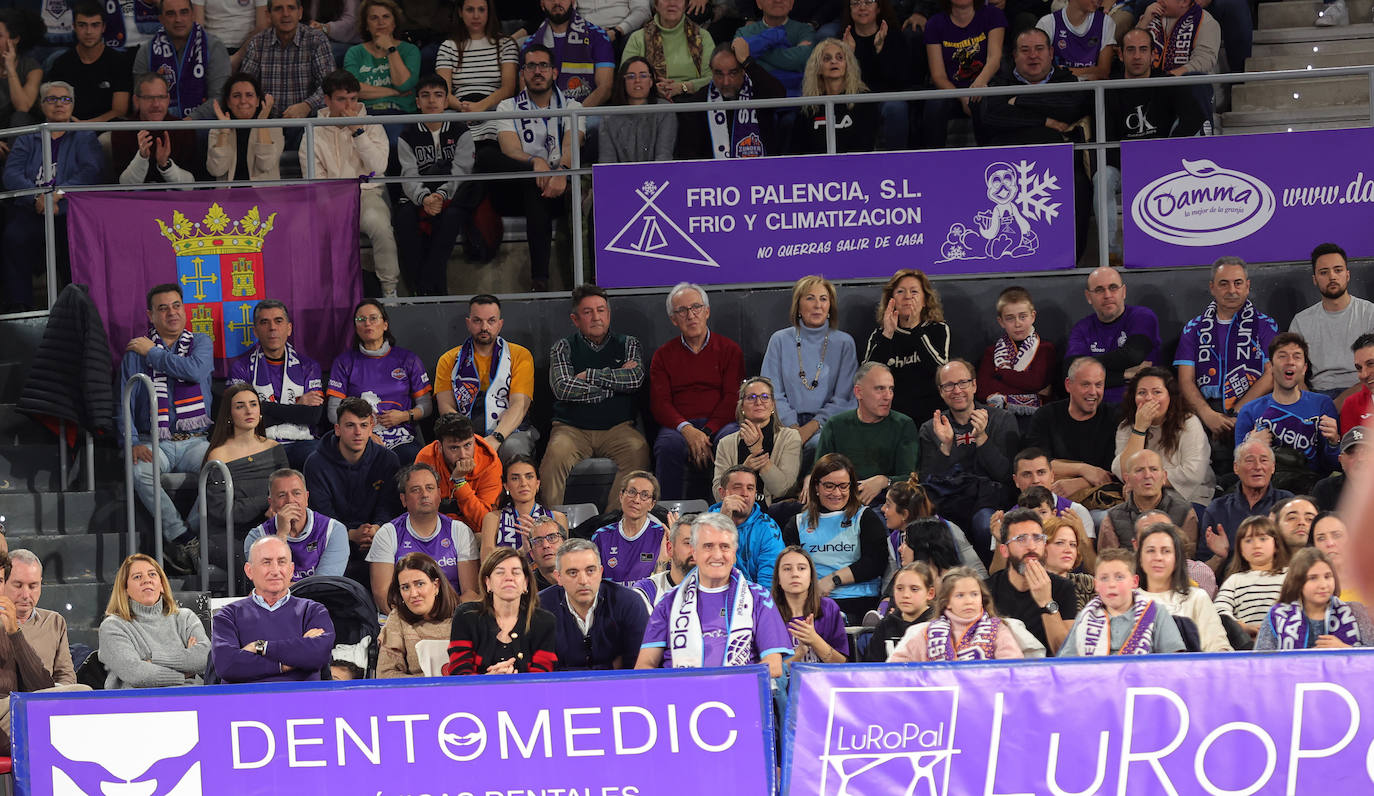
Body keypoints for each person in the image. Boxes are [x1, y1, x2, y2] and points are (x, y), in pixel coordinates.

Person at [116, 284, 213, 574]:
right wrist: (132, 441)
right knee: (137, 470)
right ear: (151, 315)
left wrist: (154, 354)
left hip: (196, 441)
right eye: (163, 308)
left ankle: (188, 536)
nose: (171, 312)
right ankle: (183, 538)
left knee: (225, 468)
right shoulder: (135, 353)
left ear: (185, 309)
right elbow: (125, 403)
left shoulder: (201, 342)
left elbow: (194, 370)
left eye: (176, 306)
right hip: (153, 440)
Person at [635, 513, 792, 675]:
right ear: (695, 553)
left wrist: (720, 687)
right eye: (708, 546)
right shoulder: (668, 601)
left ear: (734, 553)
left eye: (725, 546)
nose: (717, 555)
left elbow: (773, 666)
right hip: (682, 695)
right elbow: (644, 666)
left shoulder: (759, 597)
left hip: (738, 696)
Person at [1096, 27, 1204, 256]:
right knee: (1102, 177)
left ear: (1153, 54)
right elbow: (1104, 140)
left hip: (1162, 164)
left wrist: (1166, 151)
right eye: (1131, 50)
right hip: (1125, 164)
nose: (1137, 56)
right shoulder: (1107, 89)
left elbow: (1195, 116)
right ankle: (1112, 254)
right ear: (1121, 54)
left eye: (1143, 50)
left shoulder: (1166, 82)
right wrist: (1135, 164)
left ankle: (1178, 246)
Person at [486, 45, 586, 291]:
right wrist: (535, 162)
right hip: (519, 187)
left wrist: (560, 172)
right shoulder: (507, 107)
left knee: (538, 192)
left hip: (559, 186)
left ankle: (540, 280)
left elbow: (572, 146)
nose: (537, 72)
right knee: (489, 158)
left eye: (543, 66)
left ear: (554, 72)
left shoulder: (573, 108)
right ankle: (540, 279)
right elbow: (509, 149)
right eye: (531, 66)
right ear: (523, 73)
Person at [541, 285, 651, 504]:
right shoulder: (563, 347)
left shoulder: (628, 344)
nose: (596, 317)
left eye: (601, 310)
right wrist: (611, 387)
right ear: (575, 319)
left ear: (608, 314)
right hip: (571, 429)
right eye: (588, 312)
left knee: (638, 450)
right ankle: (553, 526)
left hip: (618, 428)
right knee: (554, 457)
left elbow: (634, 379)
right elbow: (563, 387)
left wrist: (589, 375)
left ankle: (611, 524)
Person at [2, 81, 104, 312]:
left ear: (73, 105)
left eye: (65, 99)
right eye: (52, 99)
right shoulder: (28, 137)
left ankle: (78, 307)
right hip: (32, 208)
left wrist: (56, 195)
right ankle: (19, 308)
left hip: (69, 211)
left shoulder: (84, 136)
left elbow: (91, 171)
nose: (59, 103)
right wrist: (38, 197)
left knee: (74, 244)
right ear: (41, 104)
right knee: (14, 238)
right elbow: (12, 173)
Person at [304, 69, 400, 298]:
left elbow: (378, 167)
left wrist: (358, 132)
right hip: (330, 198)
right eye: (341, 99)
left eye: (353, 99)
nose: (349, 106)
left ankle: (390, 292)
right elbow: (314, 179)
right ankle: (330, 296)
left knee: (380, 226)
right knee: (317, 233)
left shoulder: (370, 124)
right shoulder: (313, 131)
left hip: (366, 193)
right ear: (327, 100)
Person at [650, 282, 744, 499]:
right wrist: (688, 431)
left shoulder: (730, 350)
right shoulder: (663, 355)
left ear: (707, 311)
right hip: (680, 427)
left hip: (721, 424)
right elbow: (660, 403)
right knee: (666, 446)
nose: (690, 315)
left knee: (730, 440)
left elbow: (733, 398)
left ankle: (726, 512)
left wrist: (707, 433)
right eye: (682, 311)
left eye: (696, 307)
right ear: (674, 320)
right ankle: (668, 516)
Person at [918, 359, 1022, 545]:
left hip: (991, 502)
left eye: (963, 383)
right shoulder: (931, 428)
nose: (957, 390)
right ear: (941, 392)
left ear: (974, 385)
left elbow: (1006, 476)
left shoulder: (1003, 420)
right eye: (949, 385)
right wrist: (946, 446)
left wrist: (982, 437)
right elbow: (928, 483)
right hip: (949, 503)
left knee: (984, 525)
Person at [1175, 257, 1280, 438]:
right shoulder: (1194, 328)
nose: (1232, 290)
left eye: (1237, 283)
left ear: (1247, 286)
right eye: (1224, 284)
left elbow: (1271, 374)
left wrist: (1237, 413)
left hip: (1252, 409)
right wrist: (1208, 415)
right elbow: (1185, 380)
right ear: (1212, 287)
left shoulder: (1265, 325)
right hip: (1203, 412)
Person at [210, 535, 336, 682]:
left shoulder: (313, 611)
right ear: (249, 571)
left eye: (282, 562)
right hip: (246, 701)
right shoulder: (227, 615)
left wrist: (261, 647)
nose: (275, 570)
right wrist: (288, 662)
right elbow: (228, 665)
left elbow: (318, 655)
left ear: (291, 570)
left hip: (301, 700)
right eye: (266, 562)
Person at [394, 74, 476, 297]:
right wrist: (424, 198)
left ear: (446, 100)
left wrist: (440, 195)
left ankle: (426, 291)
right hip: (416, 196)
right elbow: (408, 174)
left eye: (438, 95)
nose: (432, 101)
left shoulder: (460, 130)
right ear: (417, 102)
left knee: (450, 220)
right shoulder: (407, 133)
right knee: (404, 222)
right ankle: (428, 293)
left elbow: (462, 170)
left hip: (451, 196)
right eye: (426, 96)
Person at [303, 396, 403, 579]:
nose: (358, 432)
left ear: (371, 427)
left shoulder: (388, 460)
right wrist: (349, 534)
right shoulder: (315, 463)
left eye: (363, 425)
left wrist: (377, 528)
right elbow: (321, 513)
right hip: (331, 539)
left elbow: (389, 505)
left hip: (377, 538)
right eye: (350, 425)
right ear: (338, 429)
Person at [326, 298, 433, 464]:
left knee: (413, 460)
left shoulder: (408, 359)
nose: (367, 323)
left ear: (385, 324)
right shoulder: (344, 362)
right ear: (356, 327)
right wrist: (363, 431)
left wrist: (405, 416)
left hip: (401, 435)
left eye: (373, 318)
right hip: (359, 437)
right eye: (361, 320)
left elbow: (426, 407)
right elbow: (333, 411)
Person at [761, 275, 859, 454]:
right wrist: (793, 428)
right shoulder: (779, 340)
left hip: (828, 425)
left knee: (818, 446)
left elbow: (845, 399)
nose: (817, 305)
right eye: (810, 298)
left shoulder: (844, 343)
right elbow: (770, 391)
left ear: (830, 306)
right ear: (798, 305)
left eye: (823, 299)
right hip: (783, 424)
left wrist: (811, 428)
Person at [782, 455, 888, 618]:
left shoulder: (864, 517)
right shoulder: (797, 523)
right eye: (829, 486)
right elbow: (789, 564)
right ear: (816, 486)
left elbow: (876, 562)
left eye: (843, 486)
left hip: (860, 600)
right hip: (813, 602)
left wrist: (834, 579)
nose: (837, 493)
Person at [434, 296, 536, 461]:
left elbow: (519, 405)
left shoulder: (520, 355)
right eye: (477, 321)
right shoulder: (448, 360)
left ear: (500, 324)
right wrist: (467, 440)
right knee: (451, 451)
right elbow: (445, 408)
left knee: (513, 448)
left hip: (510, 429)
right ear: (468, 323)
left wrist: (496, 438)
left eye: (491, 321)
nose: (484, 327)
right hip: (464, 430)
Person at [368, 463, 481, 611]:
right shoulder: (387, 534)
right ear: (403, 499)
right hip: (405, 620)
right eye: (416, 490)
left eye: (430, 488)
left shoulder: (460, 531)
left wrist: (439, 618)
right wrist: (417, 620)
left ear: (439, 494)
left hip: (451, 618)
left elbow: (471, 594)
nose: (424, 494)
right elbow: (383, 596)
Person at [228, 299, 325, 469]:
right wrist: (296, 405)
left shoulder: (309, 366)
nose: (272, 328)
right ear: (256, 331)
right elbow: (242, 417)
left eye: (278, 321)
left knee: (318, 458)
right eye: (264, 322)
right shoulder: (241, 368)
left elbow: (312, 416)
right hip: (257, 442)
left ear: (289, 328)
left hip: (301, 443)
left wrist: (262, 407)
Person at [192, 384, 288, 553]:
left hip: (270, 528)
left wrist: (275, 507)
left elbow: (286, 495)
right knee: (258, 561)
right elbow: (222, 511)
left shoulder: (275, 449)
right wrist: (267, 501)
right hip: (227, 535)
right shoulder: (218, 456)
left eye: (253, 404)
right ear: (229, 414)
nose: (249, 411)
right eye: (240, 406)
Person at [97, 554, 209, 688]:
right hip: (140, 703)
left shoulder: (185, 617)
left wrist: (154, 660)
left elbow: (205, 656)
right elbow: (136, 673)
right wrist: (184, 672)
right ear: (124, 589)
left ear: (161, 585)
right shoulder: (113, 626)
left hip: (192, 697)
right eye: (137, 577)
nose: (146, 580)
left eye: (152, 574)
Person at [1234, 333, 1339, 474]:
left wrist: (1333, 443)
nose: (1290, 361)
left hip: (1310, 488)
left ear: (1304, 368)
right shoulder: (1249, 410)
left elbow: (1333, 465)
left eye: (1297, 356)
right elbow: (1239, 469)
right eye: (1282, 356)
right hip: (1268, 488)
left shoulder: (1322, 405)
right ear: (1270, 366)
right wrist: (1250, 445)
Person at [1111, 366, 1216, 509]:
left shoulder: (1188, 423)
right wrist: (1140, 429)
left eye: (1157, 392)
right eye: (1142, 392)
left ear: (1170, 396)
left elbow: (1193, 473)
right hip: (1142, 500)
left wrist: (1144, 479)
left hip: (1188, 499)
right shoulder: (1127, 426)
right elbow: (1124, 471)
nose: (1149, 398)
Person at [815, 363, 919, 505]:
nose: (888, 396)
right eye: (880, 389)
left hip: (887, 505)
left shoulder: (904, 425)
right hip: (841, 503)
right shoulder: (835, 425)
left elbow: (910, 479)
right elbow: (820, 472)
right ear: (858, 392)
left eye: (891, 389)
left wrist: (884, 481)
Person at [538, 538, 650, 669]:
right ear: (559, 577)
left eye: (590, 570)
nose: (583, 580)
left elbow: (641, 668)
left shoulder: (629, 603)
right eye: (573, 573)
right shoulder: (540, 607)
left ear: (601, 572)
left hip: (618, 687)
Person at [444, 547, 558, 674]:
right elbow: (459, 670)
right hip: (476, 693)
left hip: (527, 693)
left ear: (525, 583)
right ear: (488, 583)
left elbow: (542, 675)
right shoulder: (466, 616)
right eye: (500, 572)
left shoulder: (544, 621)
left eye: (515, 572)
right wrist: (488, 681)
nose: (509, 578)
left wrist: (514, 683)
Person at [862, 269, 950, 424]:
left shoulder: (938, 329)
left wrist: (915, 328)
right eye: (901, 291)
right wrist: (888, 334)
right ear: (891, 300)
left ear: (924, 301)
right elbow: (867, 378)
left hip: (930, 415)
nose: (908, 297)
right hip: (890, 417)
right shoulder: (880, 335)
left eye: (914, 291)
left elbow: (939, 371)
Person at [1058, 548, 1186, 655]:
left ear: (1134, 582)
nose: (1111, 584)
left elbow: (1174, 663)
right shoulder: (1085, 617)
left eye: (1119, 577)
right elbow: (1066, 665)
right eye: (1104, 578)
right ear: (1096, 585)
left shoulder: (1155, 612)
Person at [1290, 243, 1374, 403]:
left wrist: (1340, 403)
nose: (1332, 277)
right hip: (1319, 395)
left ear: (1347, 275)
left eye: (1338, 270)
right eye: (1324, 272)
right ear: (1315, 279)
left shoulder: (1370, 313)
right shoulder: (1301, 322)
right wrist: (1309, 403)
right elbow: (1293, 370)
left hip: (1363, 391)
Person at [985, 508, 1077, 653]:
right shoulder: (986, 590)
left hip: (1047, 672)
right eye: (1021, 539)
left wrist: (1046, 602)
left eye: (1037, 538)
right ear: (1004, 550)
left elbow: (1065, 652)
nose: (1032, 546)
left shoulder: (1063, 587)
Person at [1064, 266, 1160, 404]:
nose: (1107, 295)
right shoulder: (1082, 328)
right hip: (1093, 410)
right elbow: (1070, 373)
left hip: (1137, 407)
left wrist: (1086, 369)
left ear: (1124, 292)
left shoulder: (1141, 317)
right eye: (1099, 290)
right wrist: (1124, 374)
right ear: (1088, 296)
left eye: (1113, 287)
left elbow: (1133, 355)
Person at [674, 41, 786, 159]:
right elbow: (689, 155)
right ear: (711, 71)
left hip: (761, 171)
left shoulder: (758, 91)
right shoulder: (699, 103)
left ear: (743, 71)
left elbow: (779, 95)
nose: (726, 82)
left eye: (733, 73)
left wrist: (748, 62)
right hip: (713, 174)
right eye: (719, 74)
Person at [1027, 357, 1119, 497]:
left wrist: (1080, 483)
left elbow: (1112, 473)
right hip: (1052, 499)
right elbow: (1036, 465)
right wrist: (1083, 469)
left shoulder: (1115, 417)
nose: (1093, 392)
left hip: (1100, 501)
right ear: (1068, 385)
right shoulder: (1045, 416)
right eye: (1086, 385)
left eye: (1099, 385)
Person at [889, 566, 1023, 661]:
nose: (968, 601)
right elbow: (896, 669)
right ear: (947, 602)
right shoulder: (926, 632)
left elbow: (1012, 669)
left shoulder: (998, 629)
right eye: (960, 595)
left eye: (974, 594)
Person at [920, 0, 1004, 147]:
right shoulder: (935, 23)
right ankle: (932, 160)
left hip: (984, 84)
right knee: (935, 104)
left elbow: (994, 59)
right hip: (952, 91)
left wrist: (977, 86)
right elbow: (938, 75)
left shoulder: (992, 14)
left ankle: (988, 159)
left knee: (982, 102)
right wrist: (962, 95)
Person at [1199, 440, 1290, 572]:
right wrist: (1219, 556)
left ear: (1273, 467)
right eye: (1250, 460)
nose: (1258, 466)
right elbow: (1201, 573)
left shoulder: (1287, 504)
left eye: (1264, 460)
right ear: (1236, 467)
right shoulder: (1217, 509)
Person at [1137, 522, 1230, 651]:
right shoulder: (1127, 600)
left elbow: (1219, 649)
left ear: (1177, 559)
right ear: (1140, 558)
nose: (1158, 557)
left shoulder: (1197, 597)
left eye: (1166, 551)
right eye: (1150, 550)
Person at [243, 468, 350, 580]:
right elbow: (270, 584)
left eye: (296, 493)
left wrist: (287, 587)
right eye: (281, 495)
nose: (290, 500)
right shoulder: (256, 538)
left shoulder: (333, 531)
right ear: (271, 503)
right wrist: (281, 534)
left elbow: (324, 586)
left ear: (306, 498)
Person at [1256, 547, 1371, 650]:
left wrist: (1345, 649)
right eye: (1313, 578)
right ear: (1298, 583)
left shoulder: (1356, 612)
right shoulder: (1277, 617)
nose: (1323, 585)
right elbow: (1261, 663)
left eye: (1327, 576)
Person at [133, 0, 231, 119]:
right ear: (161, 19)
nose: (178, 19)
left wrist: (188, 122)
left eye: (184, 12)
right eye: (170, 14)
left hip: (203, 128)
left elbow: (219, 98)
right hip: (158, 126)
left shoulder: (214, 47)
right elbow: (140, 99)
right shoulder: (146, 51)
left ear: (193, 14)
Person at [713, 377, 802, 505]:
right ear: (742, 406)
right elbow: (718, 494)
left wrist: (757, 452)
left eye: (765, 397)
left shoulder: (790, 437)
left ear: (773, 405)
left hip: (773, 513)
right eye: (751, 397)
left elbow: (782, 490)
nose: (758, 402)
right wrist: (744, 469)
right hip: (736, 511)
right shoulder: (725, 443)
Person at [239, 0, 335, 119]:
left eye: (291, 8)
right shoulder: (257, 43)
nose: (285, 14)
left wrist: (307, 105)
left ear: (300, 13)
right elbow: (245, 85)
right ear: (268, 15)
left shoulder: (316, 40)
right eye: (278, 9)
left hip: (307, 121)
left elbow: (329, 84)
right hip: (267, 121)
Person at [977, 286, 1055, 427]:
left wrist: (1000, 373)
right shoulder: (991, 352)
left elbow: (1036, 382)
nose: (1017, 323)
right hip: (998, 423)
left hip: (1036, 423)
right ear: (1001, 322)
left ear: (1033, 316)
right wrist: (1033, 394)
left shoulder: (1045, 349)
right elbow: (983, 391)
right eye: (1010, 318)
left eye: (1023, 316)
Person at [841, 0, 914, 150]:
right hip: (855, 99)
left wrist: (880, 50)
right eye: (855, 3)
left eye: (868, 2)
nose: (862, 7)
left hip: (887, 98)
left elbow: (900, 80)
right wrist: (849, 55)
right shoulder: (843, 39)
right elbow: (838, 84)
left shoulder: (894, 37)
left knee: (896, 108)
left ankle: (896, 163)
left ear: (879, 8)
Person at [880, 478, 985, 578]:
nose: (882, 509)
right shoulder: (893, 541)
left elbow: (980, 574)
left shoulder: (949, 530)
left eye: (888, 505)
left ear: (904, 514)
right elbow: (888, 586)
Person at [413, 414, 501, 533]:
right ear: (439, 446)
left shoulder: (490, 463)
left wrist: (460, 483)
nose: (463, 455)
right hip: (438, 531)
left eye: (468, 445)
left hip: (475, 533)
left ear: (474, 440)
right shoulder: (426, 458)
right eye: (454, 448)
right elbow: (420, 512)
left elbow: (485, 523)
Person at [376, 552, 460, 677]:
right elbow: (386, 673)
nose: (413, 594)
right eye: (405, 587)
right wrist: (427, 685)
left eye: (419, 584)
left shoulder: (464, 616)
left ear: (436, 586)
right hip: (416, 694)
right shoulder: (397, 618)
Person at [788, 39, 878, 153]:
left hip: (855, 166)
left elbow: (866, 146)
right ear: (818, 68)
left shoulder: (863, 100)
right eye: (827, 58)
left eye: (840, 57)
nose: (834, 61)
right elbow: (797, 150)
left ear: (847, 65)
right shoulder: (809, 106)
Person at [435, 0, 517, 124]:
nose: (476, 16)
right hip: (459, 111)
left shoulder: (506, 44)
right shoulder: (447, 47)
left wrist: (480, 107)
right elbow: (443, 91)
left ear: (489, 13)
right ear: (460, 12)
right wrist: (465, 108)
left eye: (481, 10)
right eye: (470, 10)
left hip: (496, 111)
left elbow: (508, 88)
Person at [46, 2, 131, 122]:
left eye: (95, 25)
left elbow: (120, 110)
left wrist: (85, 125)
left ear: (103, 27)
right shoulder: (62, 63)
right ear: (74, 27)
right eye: (82, 25)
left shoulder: (118, 62)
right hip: (68, 128)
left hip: (106, 129)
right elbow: (52, 103)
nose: (89, 32)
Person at [3, 550, 77, 684]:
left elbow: (66, 676)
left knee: (83, 690)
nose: (26, 594)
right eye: (18, 585)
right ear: (3, 583)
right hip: (5, 700)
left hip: (42, 699)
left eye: (33, 586)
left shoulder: (54, 622)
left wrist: (52, 699)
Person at [1099, 449, 1196, 551]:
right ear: (1127, 479)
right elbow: (1109, 561)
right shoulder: (1112, 518)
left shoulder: (1185, 512)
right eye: (1139, 470)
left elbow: (1187, 560)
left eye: (1154, 469)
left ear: (1164, 476)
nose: (1147, 475)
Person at [522, 0, 615, 105]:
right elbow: (525, 91)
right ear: (542, 4)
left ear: (573, 1)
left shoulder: (598, 36)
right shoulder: (529, 45)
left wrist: (574, 117)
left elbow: (604, 88)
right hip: (543, 116)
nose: (556, 2)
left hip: (586, 114)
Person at [112, 72, 199, 184]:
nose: (156, 104)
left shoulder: (183, 130)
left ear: (168, 99)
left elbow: (190, 185)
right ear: (136, 100)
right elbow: (124, 186)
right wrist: (141, 158)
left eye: (161, 97)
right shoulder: (122, 131)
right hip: (135, 200)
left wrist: (165, 165)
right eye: (149, 98)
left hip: (174, 199)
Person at [1214, 515, 1290, 641]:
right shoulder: (1235, 580)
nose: (1256, 545)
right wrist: (1241, 627)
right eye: (1248, 540)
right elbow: (1219, 610)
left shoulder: (1290, 575)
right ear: (1240, 549)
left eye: (1263, 539)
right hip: (1248, 643)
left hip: (1286, 641)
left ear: (1276, 545)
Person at [479, 455, 568, 561]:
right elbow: (487, 563)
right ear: (506, 486)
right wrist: (522, 552)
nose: (523, 483)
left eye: (529, 476)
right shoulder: (493, 518)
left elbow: (563, 561)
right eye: (515, 478)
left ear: (537, 483)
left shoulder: (557, 518)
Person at [621, 0, 713, 100]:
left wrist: (682, 87)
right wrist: (652, 89)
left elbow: (712, 78)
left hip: (694, 100)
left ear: (686, 5)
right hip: (651, 101)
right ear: (656, 5)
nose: (672, 3)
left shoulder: (703, 37)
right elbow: (624, 77)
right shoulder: (637, 38)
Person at [712, 466, 787, 588]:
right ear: (722, 493)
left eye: (750, 488)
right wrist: (723, 522)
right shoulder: (704, 526)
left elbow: (768, 585)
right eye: (737, 487)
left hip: (754, 602)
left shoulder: (768, 529)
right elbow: (704, 574)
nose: (745, 494)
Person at [773, 546, 850, 663]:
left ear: (811, 577)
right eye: (787, 569)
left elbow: (842, 665)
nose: (795, 574)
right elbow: (767, 671)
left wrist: (814, 640)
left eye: (801, 568)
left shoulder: (828, 608)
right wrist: (799, 653)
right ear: (778, 578)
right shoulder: (767, 612)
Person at [343, 0, 419, 116]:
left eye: (386, 17)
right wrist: (393, 92)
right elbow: (353, 89)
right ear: (366, 25)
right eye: (374, 18)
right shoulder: (355, 52)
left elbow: (404, 85)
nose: (381, 22)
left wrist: (390, 48)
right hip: (365, 114)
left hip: (400, 113)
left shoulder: (410, 50)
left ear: (394, 23)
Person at [591, 471, 669, 584]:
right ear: (621, 496)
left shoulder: (662, 536)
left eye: (644, 495)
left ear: (652, 504)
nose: (636, 500)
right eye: (632, 492)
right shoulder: (601, 536)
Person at [206, 72, 284, 181]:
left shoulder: (274, 128)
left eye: (249, 95)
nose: (243, 101)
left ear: (257, 101)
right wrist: (224, 132)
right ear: (228, 102)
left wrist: (262, 124)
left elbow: (266, 165)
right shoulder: (217, 130)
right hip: (227, 197)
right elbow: (216, 170)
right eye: (236, 96)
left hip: (264, 197)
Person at [1006, 448, 1097, 539]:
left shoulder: (1076, 512)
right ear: (1016, 480)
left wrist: (1081, 534)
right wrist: (999, 541)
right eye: (1027, 474)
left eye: (1041, 472)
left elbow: (1089, 553)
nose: (1035, 480)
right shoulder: (1006, 520)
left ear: (1052, 476)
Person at [600, 56, 678, 161]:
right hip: (621, 176)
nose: (637, 80)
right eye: (631, 76)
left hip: (657, 176)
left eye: (643, 75)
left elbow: (663, 156)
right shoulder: (609, 118)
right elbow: (607, 163)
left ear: (651, 82)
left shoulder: (665, 111)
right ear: (623, 82)